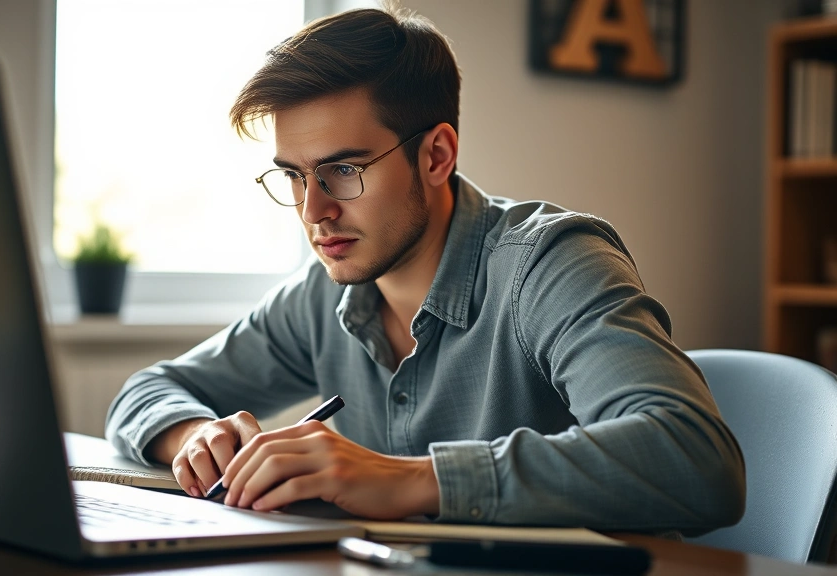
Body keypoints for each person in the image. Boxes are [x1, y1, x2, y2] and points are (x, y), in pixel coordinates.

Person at [106, 3, 745, 533]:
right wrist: (196, 436)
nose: (313, 211)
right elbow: (145, 391)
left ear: (436, 155)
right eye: (294, 178)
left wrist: (403, 478)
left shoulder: (548, 262)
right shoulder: (319, 297)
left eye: (343, 171)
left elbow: (695, 459)